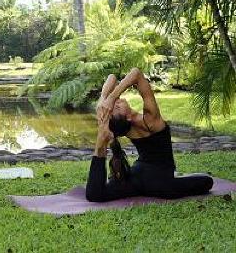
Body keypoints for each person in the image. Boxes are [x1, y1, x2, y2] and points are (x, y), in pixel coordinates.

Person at [86, 68, 214, 202]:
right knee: (207, 181)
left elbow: (112, 77)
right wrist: (111, 98)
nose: (115, 102)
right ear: (128, 117)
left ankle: (100, 144)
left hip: (136, 177)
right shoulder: (150, 121)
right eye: (116, 107)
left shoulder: (124, 127)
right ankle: (101, 141)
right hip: (161, 183)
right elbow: (136, 74)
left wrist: (103, 100)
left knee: (97, 194)